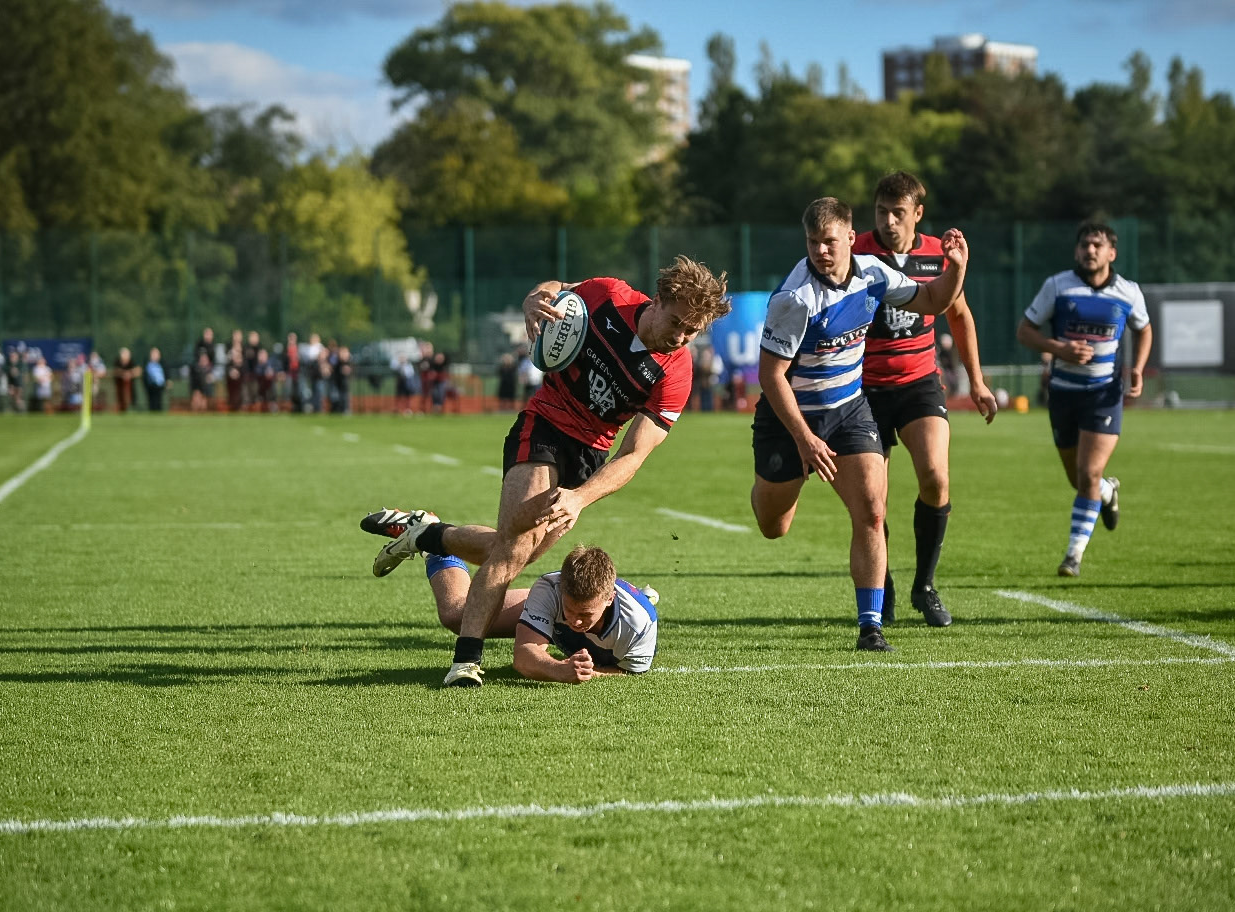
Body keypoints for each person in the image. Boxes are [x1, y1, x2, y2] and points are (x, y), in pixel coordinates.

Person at [373, 256, 729, 688]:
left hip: (588, 457)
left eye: (693, 331)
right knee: (512, 545)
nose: (681, 337)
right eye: (677, 323)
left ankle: (428, 534)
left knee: (502, 567)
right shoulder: (606, 295)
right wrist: (532, 301)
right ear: (658, 300)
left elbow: (633, 455)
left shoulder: (677, 373)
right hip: (544, 424)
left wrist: (580, 497)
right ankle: (466, 662)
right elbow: (553, 287)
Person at [752, 197, 969, 652]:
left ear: (851, 237)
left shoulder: (874, 273)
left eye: (829, 241)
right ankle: (773, 487)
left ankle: (870, 626)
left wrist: (955, 270)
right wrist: (804, 439)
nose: (821, 251)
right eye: (813, 242)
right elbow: (770, 376)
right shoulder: (795, 299)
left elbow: (932, 300)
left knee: (872, 510)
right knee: (774, 525)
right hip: (789, 416)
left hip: (849, 409)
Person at [855, 172, 998, 627]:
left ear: (918, 214)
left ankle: (925, 585)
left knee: (936, 476)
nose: (889, 221)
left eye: (899, 213)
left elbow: (959, 315)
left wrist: (976, 382)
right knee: (873, 500)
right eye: (882, 211)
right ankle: (884, 585)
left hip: (919, 382)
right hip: (863, 390)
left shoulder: (939, 253)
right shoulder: (855, 251)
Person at [1016, 220, 1151, 578]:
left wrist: (1137, 367)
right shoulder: (1057, 286)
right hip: (1062, 394)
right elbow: (1025, 331)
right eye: (1084, 245)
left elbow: (1144, 328)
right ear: (1076, 251)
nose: (1090, 251)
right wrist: (1058, 347)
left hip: (1104, 394)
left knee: (1089, 471)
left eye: (1097, 245)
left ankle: (1073, 555)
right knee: (1080, 480)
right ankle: (1107, 492)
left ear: (1111, 253)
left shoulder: (1128, 292)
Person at [363, 520, 659, 681]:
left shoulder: (640, 624)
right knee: (457, 616)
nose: (576, 621)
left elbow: (628, 674)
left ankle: (431, 532)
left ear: (609, 599)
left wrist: (583, 671)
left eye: (586, 614)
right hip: (551, 608)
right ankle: (431, 536)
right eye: (569, 609)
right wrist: (559, 669)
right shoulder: (550, 588)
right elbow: (524, 658)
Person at [143, 347, 169, 411]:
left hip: (160, 386)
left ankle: (159, 411)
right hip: (150, 386)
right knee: (151, 401)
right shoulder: (147, 364)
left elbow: (166, 373)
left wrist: (167, 381)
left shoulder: (162, 364)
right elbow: (144, 375)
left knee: (159, 400)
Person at [112, 347, 137, 412]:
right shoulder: (117, 361)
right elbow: (115, 370)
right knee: (120, 398)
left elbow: (138, 370)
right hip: (119, 385)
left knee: (131, 397)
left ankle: (132, 409)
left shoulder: (131, 362)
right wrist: (123, 374)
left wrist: (130, 373)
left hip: (130, 385)